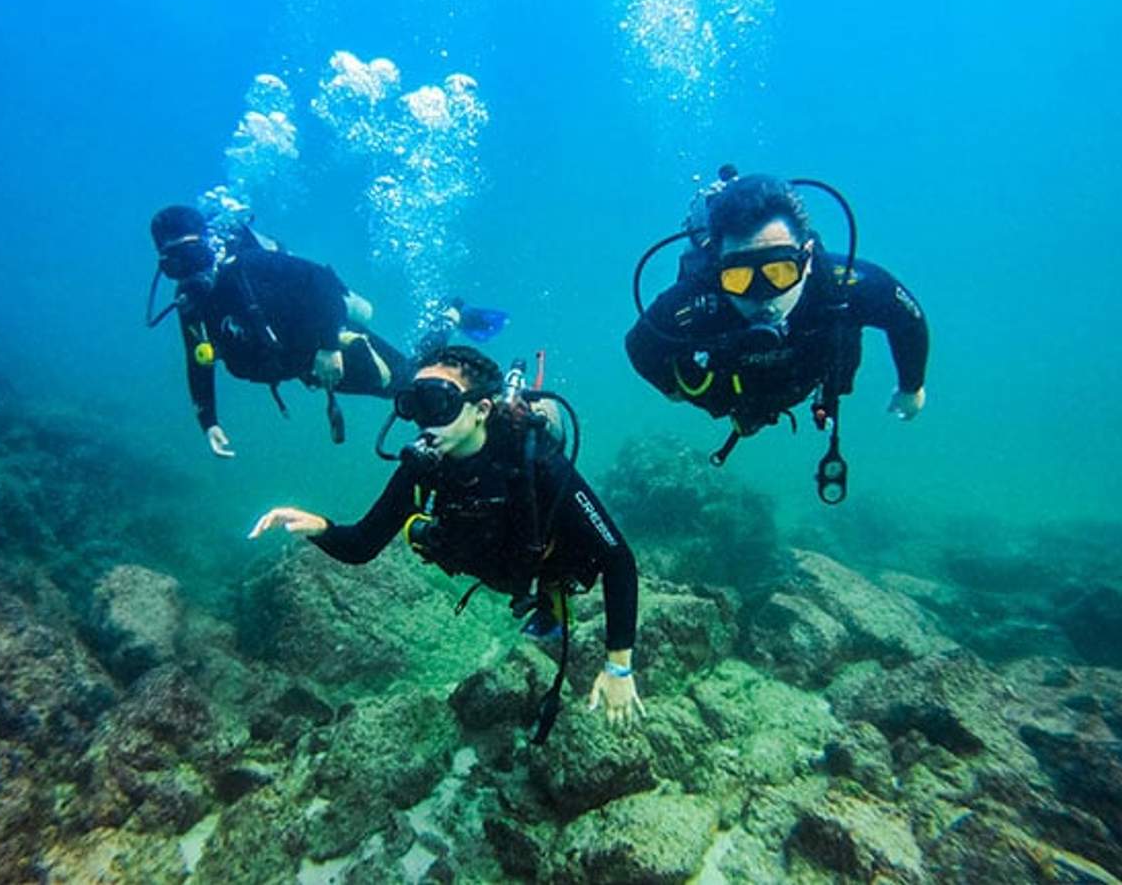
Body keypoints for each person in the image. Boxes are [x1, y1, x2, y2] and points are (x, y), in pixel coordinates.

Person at [248, 345, 643, 737]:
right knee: (427, 533)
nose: (425, 423)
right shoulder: (424, 467)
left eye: (439, 403)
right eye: (415, 406)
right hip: (482, 558)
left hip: (539, 558)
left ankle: (552, 600)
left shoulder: (534, 459)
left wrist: (618, 666)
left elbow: (618, 559)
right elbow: (362, 546)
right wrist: (321, 527)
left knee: (566, 562)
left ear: (481, 410)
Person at [625, 170, 929, 500]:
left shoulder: (843, 284)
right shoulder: (696, 300)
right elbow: (639, 345)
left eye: (779, 271)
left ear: (808, 257)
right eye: (739, 277)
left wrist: (911, 386)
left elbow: (908, 320)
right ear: (719, 269)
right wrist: (673, 390)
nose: (761, 296)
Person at [147, 205, 508, 457]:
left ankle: (451, 314)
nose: (187, 273)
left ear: (208, 246)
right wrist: (208, 421)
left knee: (408, 384)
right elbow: (198, 361)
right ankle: (448, 320)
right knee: (405, 388)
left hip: (331, 345)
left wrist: (330, 346)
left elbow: (320, 280)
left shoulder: (250, 265)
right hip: (305, 366)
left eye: (192, 257)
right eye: (173, 265)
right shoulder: (190, 304)